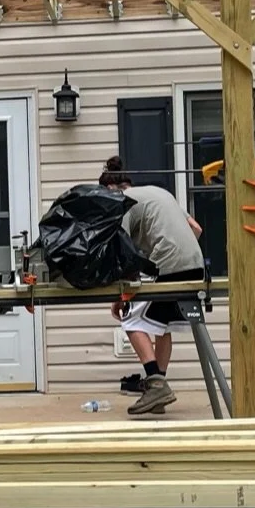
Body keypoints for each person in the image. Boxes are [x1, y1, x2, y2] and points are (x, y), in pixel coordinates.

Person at [98, 155, 204, 416]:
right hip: (196, 265)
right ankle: (158, 390)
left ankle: (155, 383)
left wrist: (120, 296)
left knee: (131, 321)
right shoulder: (158, 193)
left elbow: (123, 251)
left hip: (168, 266)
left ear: (110, 190)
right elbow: (197, 229)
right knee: (161, 325)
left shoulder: (124, 203)